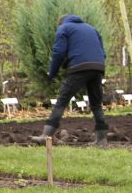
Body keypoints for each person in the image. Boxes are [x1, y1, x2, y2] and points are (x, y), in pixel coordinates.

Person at [30, 14, 109, 146]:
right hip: (98, 67)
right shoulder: (91, 29)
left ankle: (46, 135)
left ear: (60, 23)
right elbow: (102, 52)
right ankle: (102, 140)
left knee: (62, 101)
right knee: (96, 104)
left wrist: (52, 73)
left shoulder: (63, 28)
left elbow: (59, 52)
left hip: (79, 67)